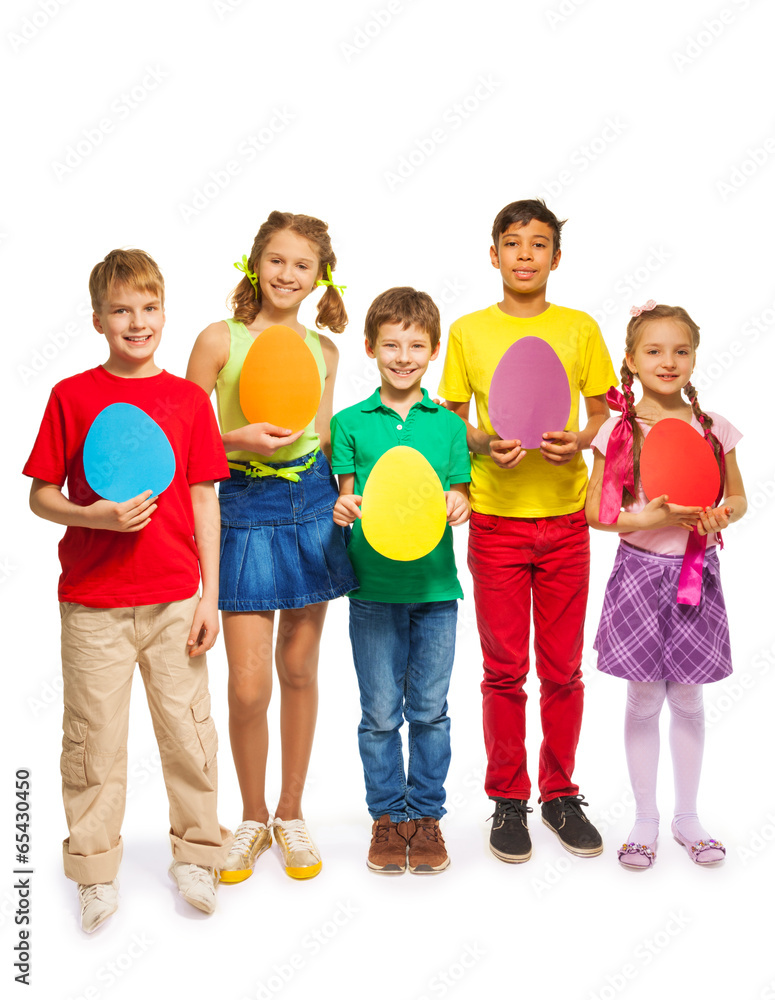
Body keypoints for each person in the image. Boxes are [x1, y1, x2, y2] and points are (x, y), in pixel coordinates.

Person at [23, 249, 232, 932]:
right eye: (120, 310)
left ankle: (198, 855)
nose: (135, 322)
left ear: (164, 315)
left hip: (177, 599)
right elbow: (41, 497)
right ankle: (92, 869)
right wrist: (93, 516)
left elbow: (205, 501)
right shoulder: (71, 396)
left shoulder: (186, 402)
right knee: (92, 742)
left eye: (147, 309)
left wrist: (210, 597)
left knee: (189, 735)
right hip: (92, 604)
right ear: (97, 319)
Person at [438, 198, 616, 863]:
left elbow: (601, 411)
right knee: (503, 670)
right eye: (511, 243)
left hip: (566, 522)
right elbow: (451, 416)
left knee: (563, 670)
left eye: (537, 244)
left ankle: (560, 794)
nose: (523, 255)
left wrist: (581, 440)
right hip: (495, 523)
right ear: (492, 255)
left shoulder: (578, 329)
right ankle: (508, 801)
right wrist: (482, 443)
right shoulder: (466, 332)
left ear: (555, 258)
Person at [186, 211, 356, 883]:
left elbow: (318, 439)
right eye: (277, 260)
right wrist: (233, 441)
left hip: (312, 505)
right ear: (254, 263)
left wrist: (351, 492)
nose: (288, 275)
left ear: (320, 278)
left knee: (299, 672)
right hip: (243, 508)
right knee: (249, 686)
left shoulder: (326, 350)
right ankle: (251, 815)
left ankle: (290, 812)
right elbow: (174, 436)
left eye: (302, 265)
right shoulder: (217, 341)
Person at [585, 300, 746, 869]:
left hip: (695, 575)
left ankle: (688, 817)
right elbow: (597, 514)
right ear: (630, 360)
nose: (668, 361)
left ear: (695, 359)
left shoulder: (712, 427)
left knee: (689, 698)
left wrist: (723, 515)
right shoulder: (616, 430)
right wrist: (650, 519)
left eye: (680, 351)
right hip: (637, 575)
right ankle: (645, 819)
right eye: (653, 351)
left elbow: (738, 497)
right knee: (644, 697)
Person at [331, 287, 471, 874]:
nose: (404, 355)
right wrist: (343, 510)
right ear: (370, 348)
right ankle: (388, 819)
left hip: (436, 591)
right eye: (391, 344)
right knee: (381, 713)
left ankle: (428, 818)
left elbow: (459, 493)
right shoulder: (348, 424)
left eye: (416, 345)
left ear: (434, 351)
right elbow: (345, 499)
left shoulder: (449, 427)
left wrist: (458, 503)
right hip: (372, 592)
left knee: (431, 711)